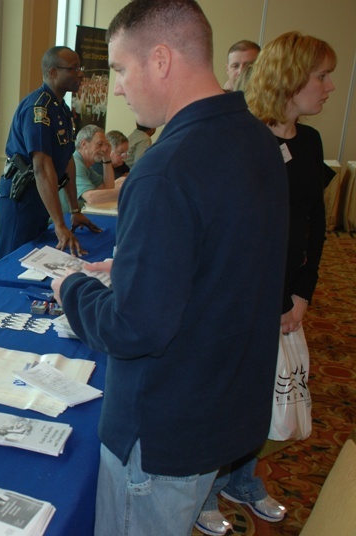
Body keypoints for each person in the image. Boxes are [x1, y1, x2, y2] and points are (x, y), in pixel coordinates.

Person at [50, 1, 289, 534]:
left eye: (120, 69)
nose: (116, 89)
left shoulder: (164, 168)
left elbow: (134, 328)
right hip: (223, 407)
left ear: (160, 60)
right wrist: (135, 268)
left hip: (163, 428)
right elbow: (225, 261)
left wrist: (74, 289)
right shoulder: (255, 137)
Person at [195, 31, 337, 536]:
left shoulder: (311, 141)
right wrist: (272, 299)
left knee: (263, 397)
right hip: (241, 297)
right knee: (227, 399)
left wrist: (301, 294)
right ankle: (206, 490)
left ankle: (242, 480)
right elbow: (233, 232)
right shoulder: (243, 137)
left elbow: (313, 225)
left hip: (285, 297)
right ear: (292, 77)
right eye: (322, 76)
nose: (330, 87)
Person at [0, 46, 101, 261]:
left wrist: (74, 210)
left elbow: (67, 159)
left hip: (42, 194)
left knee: (36, 257)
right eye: (73, 68)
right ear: (53, 72)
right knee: (14, 259)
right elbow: (42, 168)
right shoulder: (38, 109)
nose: (80, 74)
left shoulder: (61, 108)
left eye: (79, 68)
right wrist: (60, 224)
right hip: (22, 195)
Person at [58, 124, 117, 213]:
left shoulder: (86, 166)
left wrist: (107, 158)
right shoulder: (75, 163)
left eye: (106, 145)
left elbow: (108, 188)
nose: (104, 149)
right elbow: (91, 198)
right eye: (100, 144)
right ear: (84, 144)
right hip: (63, 218)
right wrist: (125, 191)